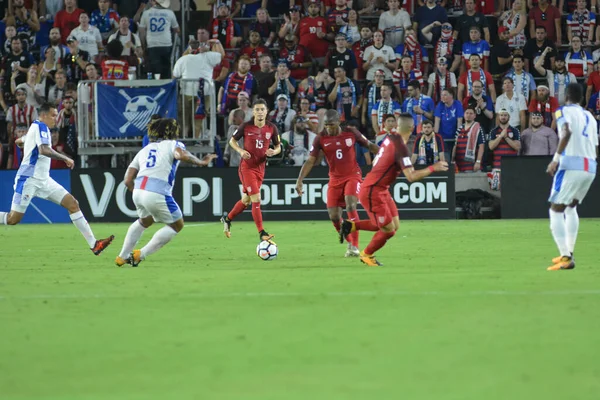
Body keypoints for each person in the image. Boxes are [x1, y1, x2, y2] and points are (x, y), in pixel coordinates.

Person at [0, 103, 114, 256]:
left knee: (73, 204)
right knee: (13, 219)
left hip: (44, 180)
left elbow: (18, 141)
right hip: (28, 179)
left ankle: (95, 244)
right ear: (44, 115)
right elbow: (43, 150)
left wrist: (25, 142)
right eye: (53, 115)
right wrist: (65, 158)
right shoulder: (41, 127)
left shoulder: (35, 128)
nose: (56, 118)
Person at [338, 113, 448, 266]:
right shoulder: (400, 148)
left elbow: (377, 159)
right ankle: (366, 254)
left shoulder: (390, 138)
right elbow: (411, 176)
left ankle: (352, 225)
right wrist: (433, 167)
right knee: (388, 229)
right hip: (373, 190)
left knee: (393, 225)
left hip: (380, 188)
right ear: (412, 128)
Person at [116, 118, 217, 267]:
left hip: (137, 191)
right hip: (157, 192)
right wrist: (202, 162)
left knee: (145, 221)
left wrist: (138, 192)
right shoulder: (173, 144)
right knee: (177, 225)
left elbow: (127, 180)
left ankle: (122, 256)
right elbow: (181, 155)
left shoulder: (145, 150)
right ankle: (140, 254)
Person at [296, 109, 379, 257]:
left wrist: (387, 156)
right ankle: (349, 242)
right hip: (334, 179)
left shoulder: (351, 132)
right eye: (326, 125)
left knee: (350, 204)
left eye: (332, 125)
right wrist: (300, 180)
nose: (329, 128)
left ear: (339, 121)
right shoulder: (320, 138)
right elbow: (310, 160)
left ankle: (355, 246)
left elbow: (369, 145)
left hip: (352, 175)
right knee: (334, 216)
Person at [546, 83, 598, 271]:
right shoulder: (590, 117)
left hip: (571, 164)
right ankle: (569, 251)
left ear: (565, 96)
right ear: (582, 98)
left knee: (555, 209)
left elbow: (566, 132)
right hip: (590, 166)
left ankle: (566, 256)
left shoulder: (562, 111)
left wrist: (555, 159)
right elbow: (596, 144)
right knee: (570, 207)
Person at [220, 99, 282, 242]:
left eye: (262, 109)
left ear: (266, 112)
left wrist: (274, 151)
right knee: (256, 198)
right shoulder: (246, 126)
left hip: (260, 168)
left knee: (246, 200)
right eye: (257, 110)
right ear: (253, 112)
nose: (260, 112)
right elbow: (232, 141)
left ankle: (227, 219)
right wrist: (241, 151)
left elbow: (278, 146)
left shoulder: (272, 128)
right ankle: (262, 233)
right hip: (247, 168)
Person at [139, 0, 180, 79]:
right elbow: (177, 30)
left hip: (152, 44)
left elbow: (142, 32)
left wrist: (143, 46)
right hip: (166, 43)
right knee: (166, 70)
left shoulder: (146, 13)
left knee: (154, 70)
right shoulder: (170, 13)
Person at [452, 106, 485, 172]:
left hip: (472, 166)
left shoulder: (478, 128)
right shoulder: (459, 129)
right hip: (459, 166)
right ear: (464, 115)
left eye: (471, 113)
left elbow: (481, 146)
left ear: (474, 116)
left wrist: (478, 162)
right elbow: (455, 146)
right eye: (467, 113)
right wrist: (452, 161)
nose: (468, 115)